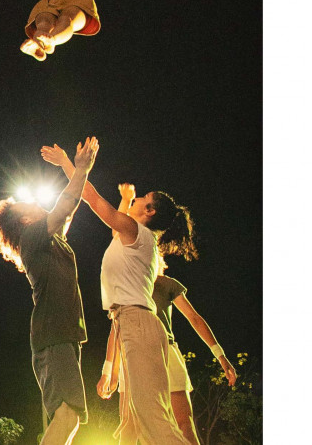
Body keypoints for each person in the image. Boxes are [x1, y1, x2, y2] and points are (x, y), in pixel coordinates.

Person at [41, 142, 191, 444]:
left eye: (142, 199)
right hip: (137, 324)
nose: (136, 200)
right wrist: (123, 198)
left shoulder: (137, 232)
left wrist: (71, 165)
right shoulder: (137, 237)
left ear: (149, 211)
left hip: (138, 323)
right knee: (139, 421)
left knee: (152, 420)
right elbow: (112, 223)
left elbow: (93, 200)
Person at [94, 187, 238, 444]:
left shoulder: (163, 283)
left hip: (160, 346)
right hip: (131, 344)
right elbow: (116, 328)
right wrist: (110, 371)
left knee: (179, 423)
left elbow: (194, 318)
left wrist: (221, 355)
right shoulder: (129, 280)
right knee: (130, 425)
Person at [0, 138, 97, 445]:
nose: (36, 202)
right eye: (29, 204)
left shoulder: (49, 238)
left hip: (61, 334)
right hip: (54, 334)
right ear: (25, 219)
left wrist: (67, 165)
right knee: (67, 416)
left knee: (69, 418)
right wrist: (80, 167)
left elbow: (67, 212)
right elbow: (65, 205)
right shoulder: (33, 235)